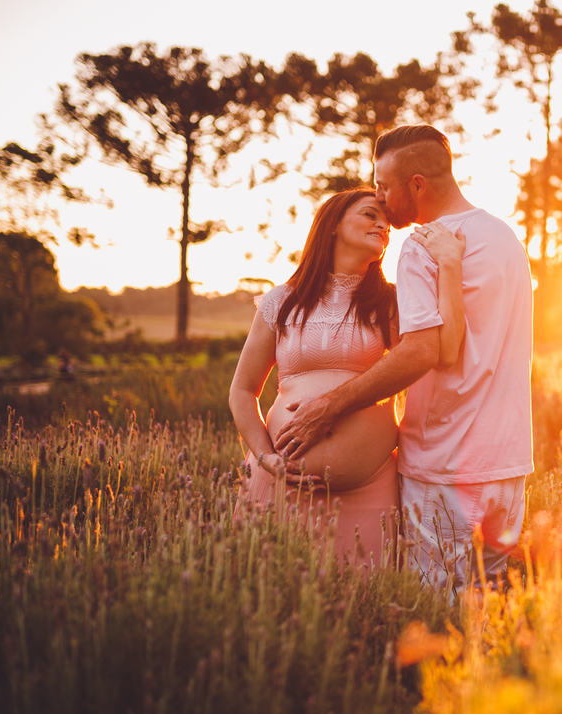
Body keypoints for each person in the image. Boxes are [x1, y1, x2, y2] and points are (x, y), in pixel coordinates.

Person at [274, 125, 534, 594]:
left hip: (444, 464)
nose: (379, 196)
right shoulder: (505, 239)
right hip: (507, 465)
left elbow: (422, 351)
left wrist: (329, 406)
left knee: (434, 608)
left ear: (417, 184)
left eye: (384, 185)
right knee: (489, 605)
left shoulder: (422, 247)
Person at [229, 187, 465, 569]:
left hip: (367, 492)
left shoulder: (393, 302)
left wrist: (450, 266)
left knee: (364, 597)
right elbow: (242, 390)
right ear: (333, 224)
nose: (382, 225)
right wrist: (265, 456)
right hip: (277, 484)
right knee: (263, 592)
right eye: (370, 214)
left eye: (385, 222)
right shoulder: (281, 301)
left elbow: (441, 350)